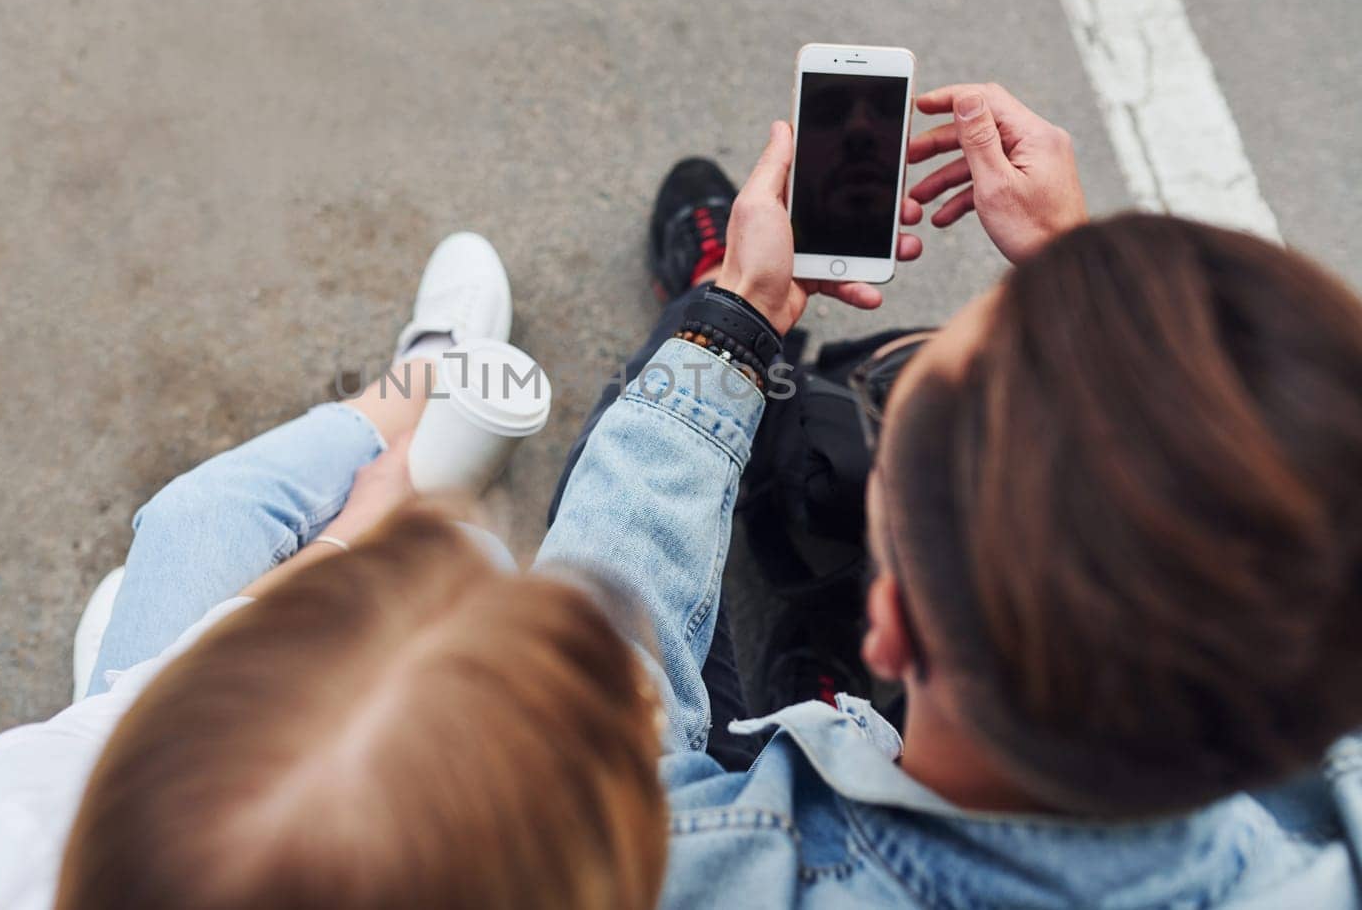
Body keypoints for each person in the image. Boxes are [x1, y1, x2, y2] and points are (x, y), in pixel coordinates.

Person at [537, 82, 1362, 906]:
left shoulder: (693, 865)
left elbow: (590, 652)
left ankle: (712, 290)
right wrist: (1097, 301)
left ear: (888, 629)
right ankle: (819, 674)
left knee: (642, 446)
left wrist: (735, 320)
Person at [0, 232, 669, 910]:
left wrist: (360, 528)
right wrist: (375, 527)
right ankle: (424, 440)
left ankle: (422, 383)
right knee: (467, 565)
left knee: (196, 519)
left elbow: (174, 680)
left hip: (108, 754)